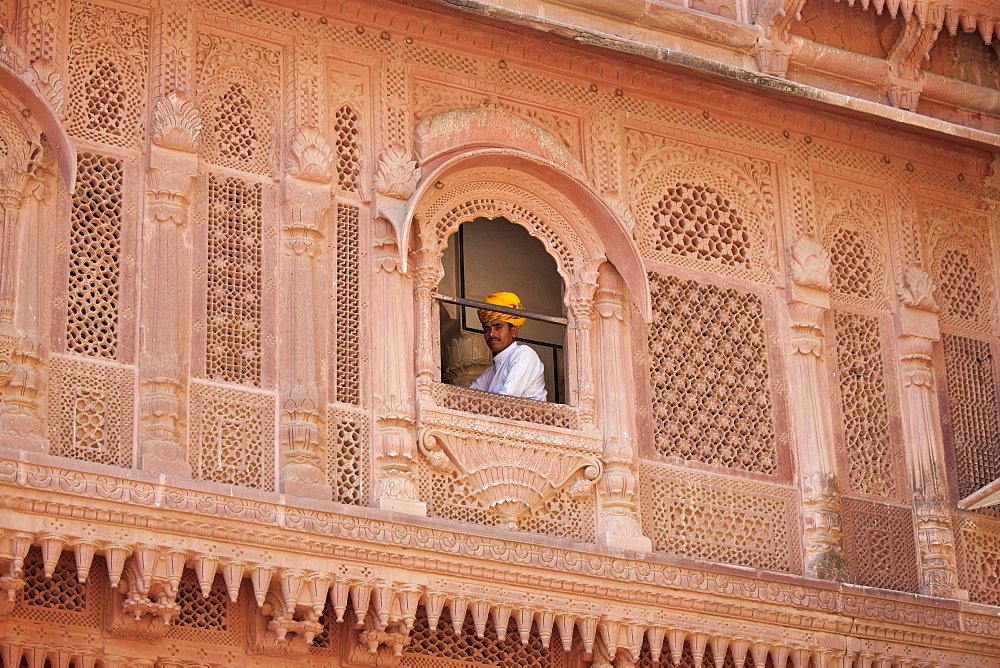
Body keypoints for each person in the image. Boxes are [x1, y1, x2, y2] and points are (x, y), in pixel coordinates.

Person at [469, 292, 547, 401]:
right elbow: (468, 397)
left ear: (514, 331)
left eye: (498, 327)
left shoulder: (524, 354)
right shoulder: (490, 372)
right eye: (487, 329)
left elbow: (507, 400)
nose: (491, 334)